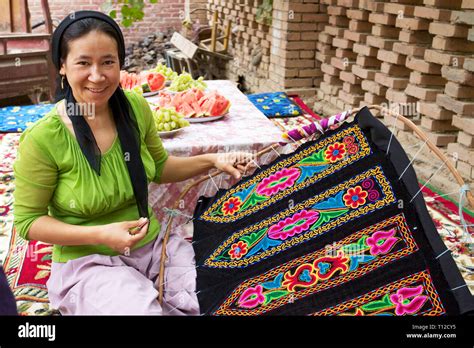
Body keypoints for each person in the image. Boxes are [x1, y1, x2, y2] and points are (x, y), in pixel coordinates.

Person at [13, 10, 255, 315]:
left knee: (215, 298)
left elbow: (159, 167)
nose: (97, 76)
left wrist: (213, 160)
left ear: (120, 62)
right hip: (87, 261)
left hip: (152, 246)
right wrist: (100, 235)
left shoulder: (136, 108)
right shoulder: (43, 138)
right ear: (62, 66)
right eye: (83, 63)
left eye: (108, 62)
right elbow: (28, 221)